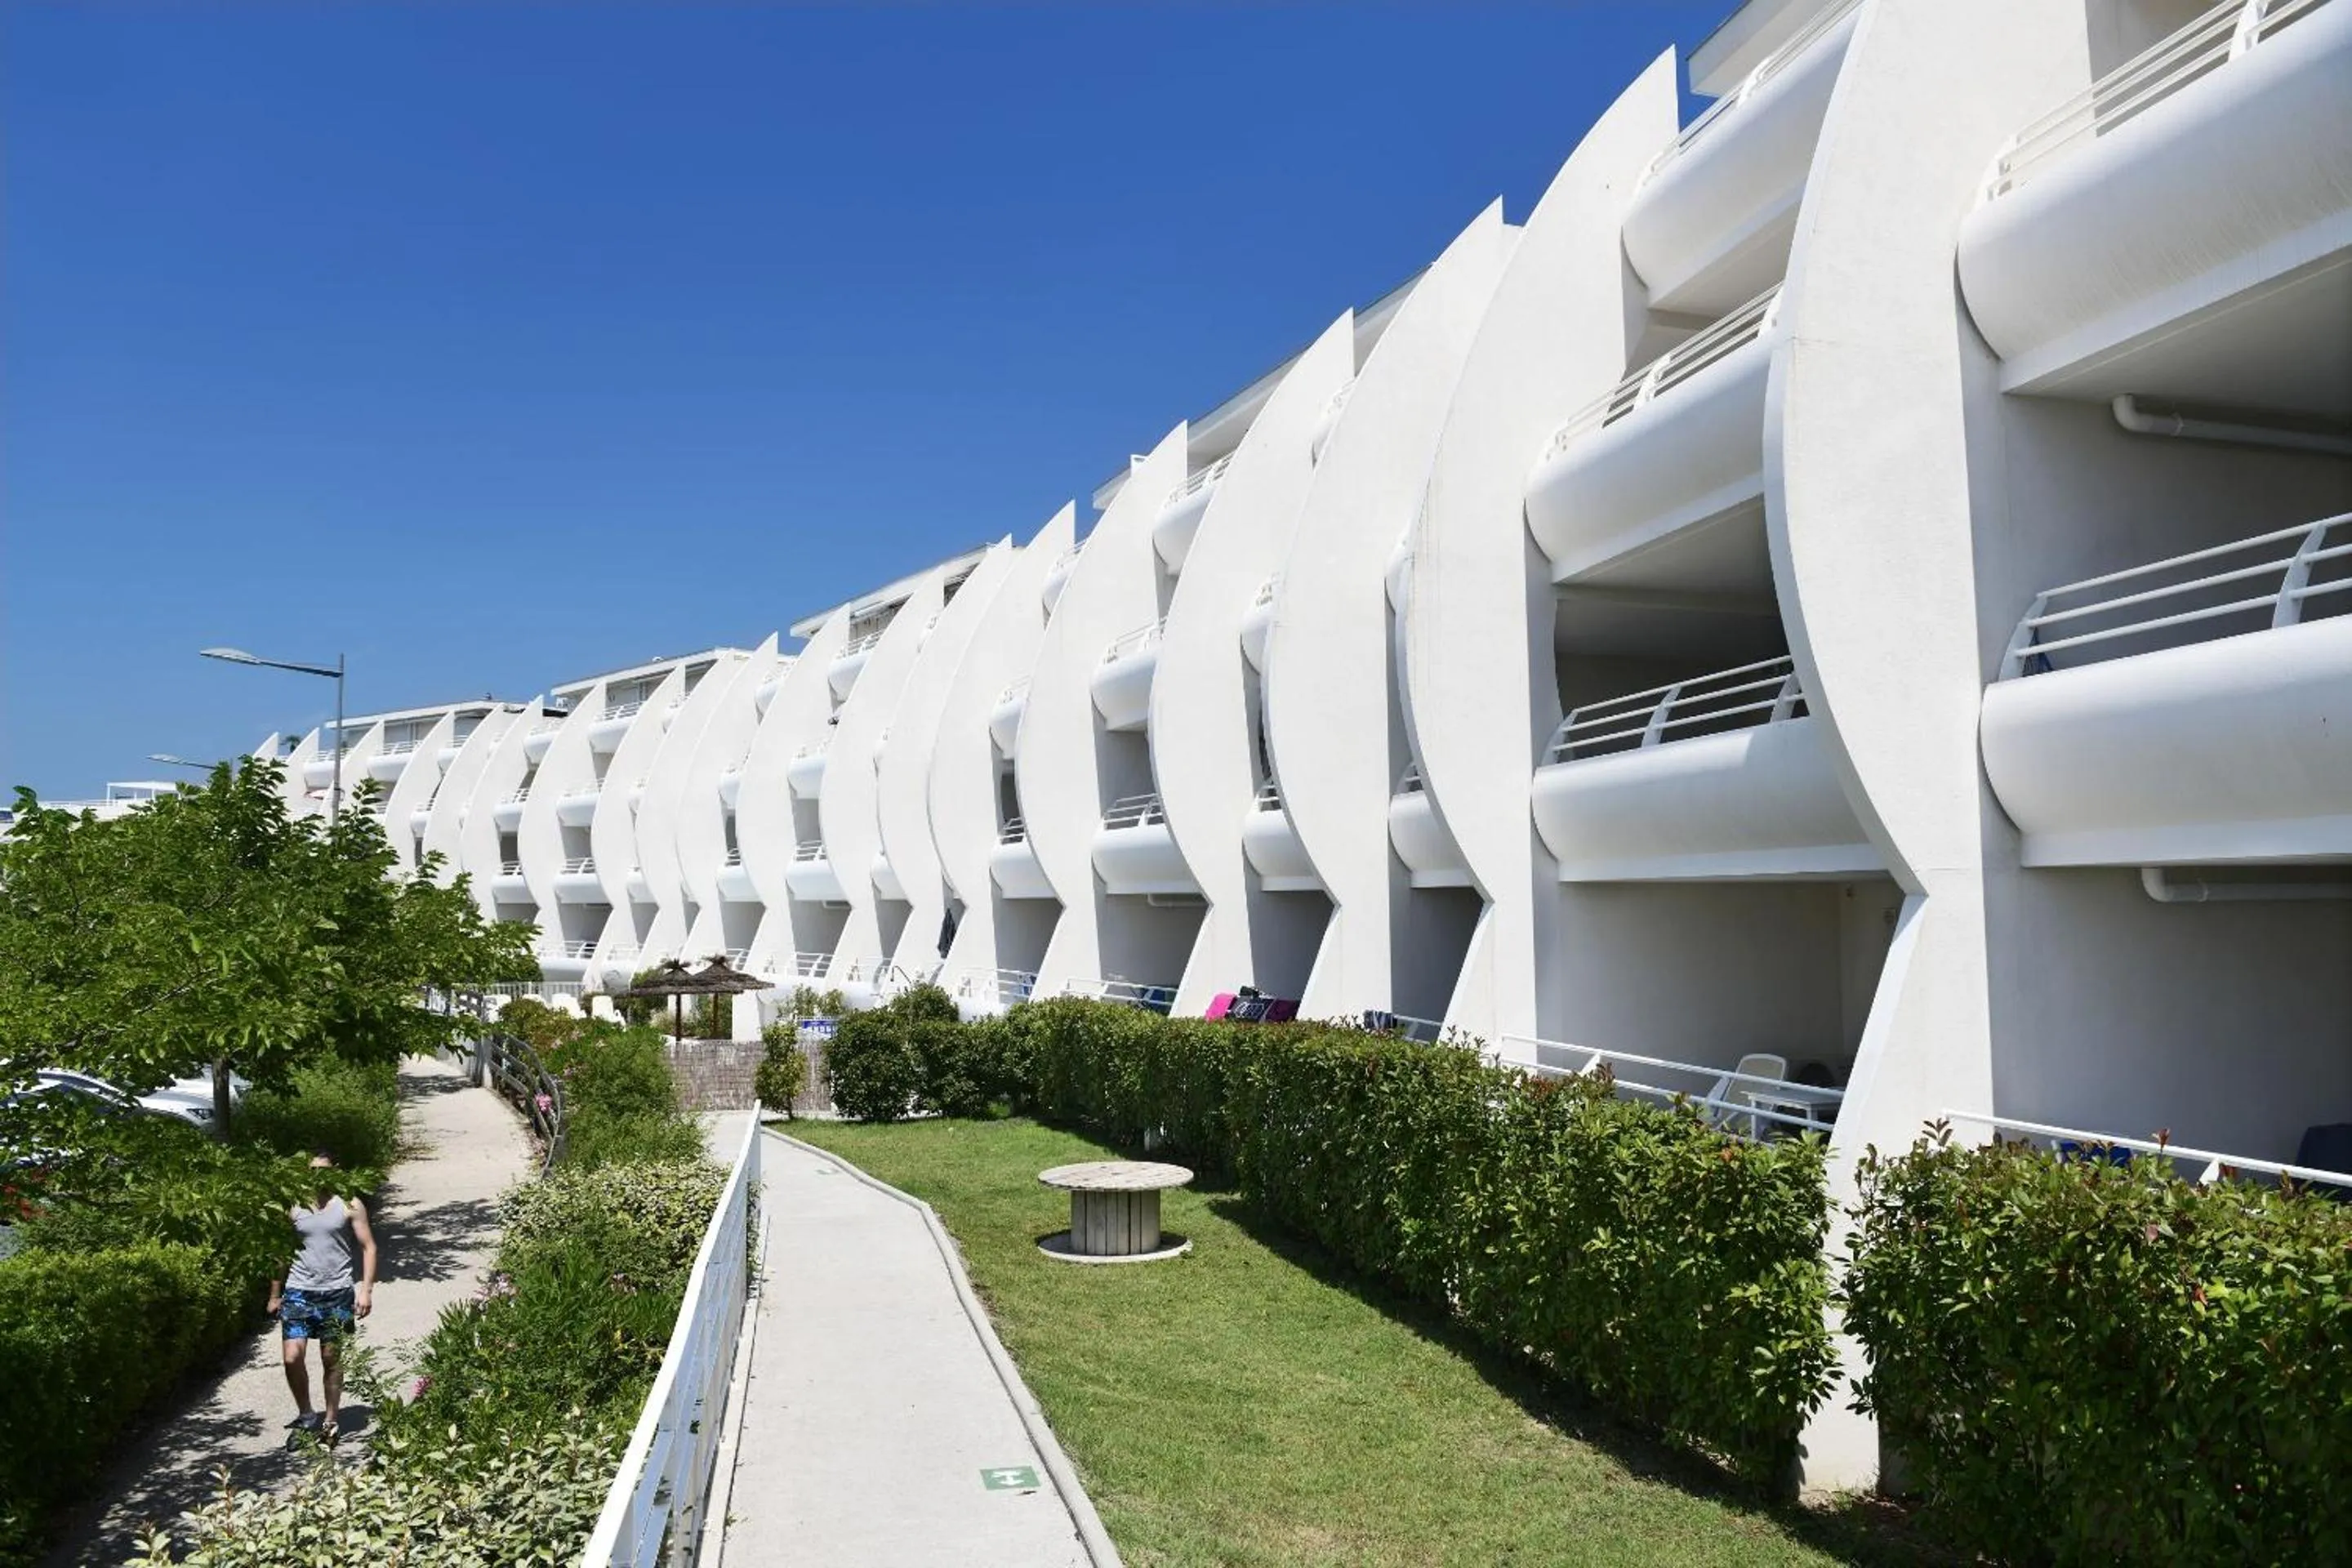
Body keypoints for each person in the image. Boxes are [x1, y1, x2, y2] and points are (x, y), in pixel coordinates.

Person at [265, 1151, 377, 1446]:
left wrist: (366, 1290)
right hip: (298, 1292)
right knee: (292, 1358)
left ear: (335, 1170)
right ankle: (306, 1416)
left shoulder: (350, 1203)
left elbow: (368, 1247)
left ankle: (330, 1422)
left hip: (337, 1292)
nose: (318, 1177)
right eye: (312, 1171)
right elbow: (280, 1252)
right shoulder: (292, 1205)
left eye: (324, 1170)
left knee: (331, 1358)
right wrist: (275, 1294)